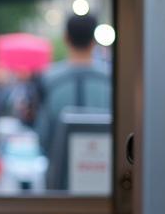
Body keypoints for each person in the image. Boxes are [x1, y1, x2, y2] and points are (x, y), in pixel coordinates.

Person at [35, 12, 112, 158]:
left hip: (59, 169)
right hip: (103, 166)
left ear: (66, 37)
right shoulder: (109, 79)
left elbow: (43, 135)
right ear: (94, 39)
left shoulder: (49, 79)